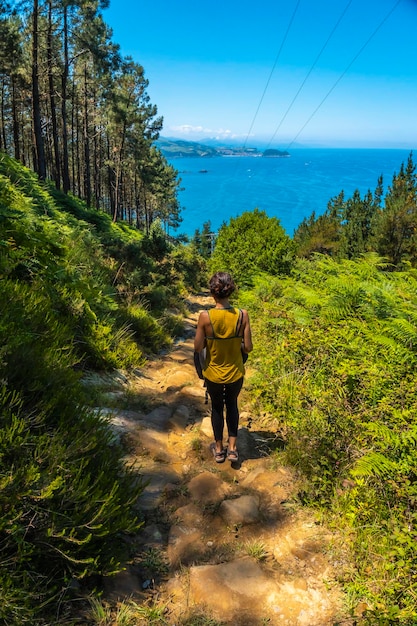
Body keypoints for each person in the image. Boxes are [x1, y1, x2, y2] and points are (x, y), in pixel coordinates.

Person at [194, 271, 253, 463]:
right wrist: (235, 343)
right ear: (231, 291)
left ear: (213, 293)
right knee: (232, 405)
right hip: (235, 372)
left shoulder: (205, 317)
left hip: (213, 373)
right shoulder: (242, 315)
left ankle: (219, 450)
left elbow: (197, 347)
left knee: (217, 408)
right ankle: (233, 449)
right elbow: (249, 347)